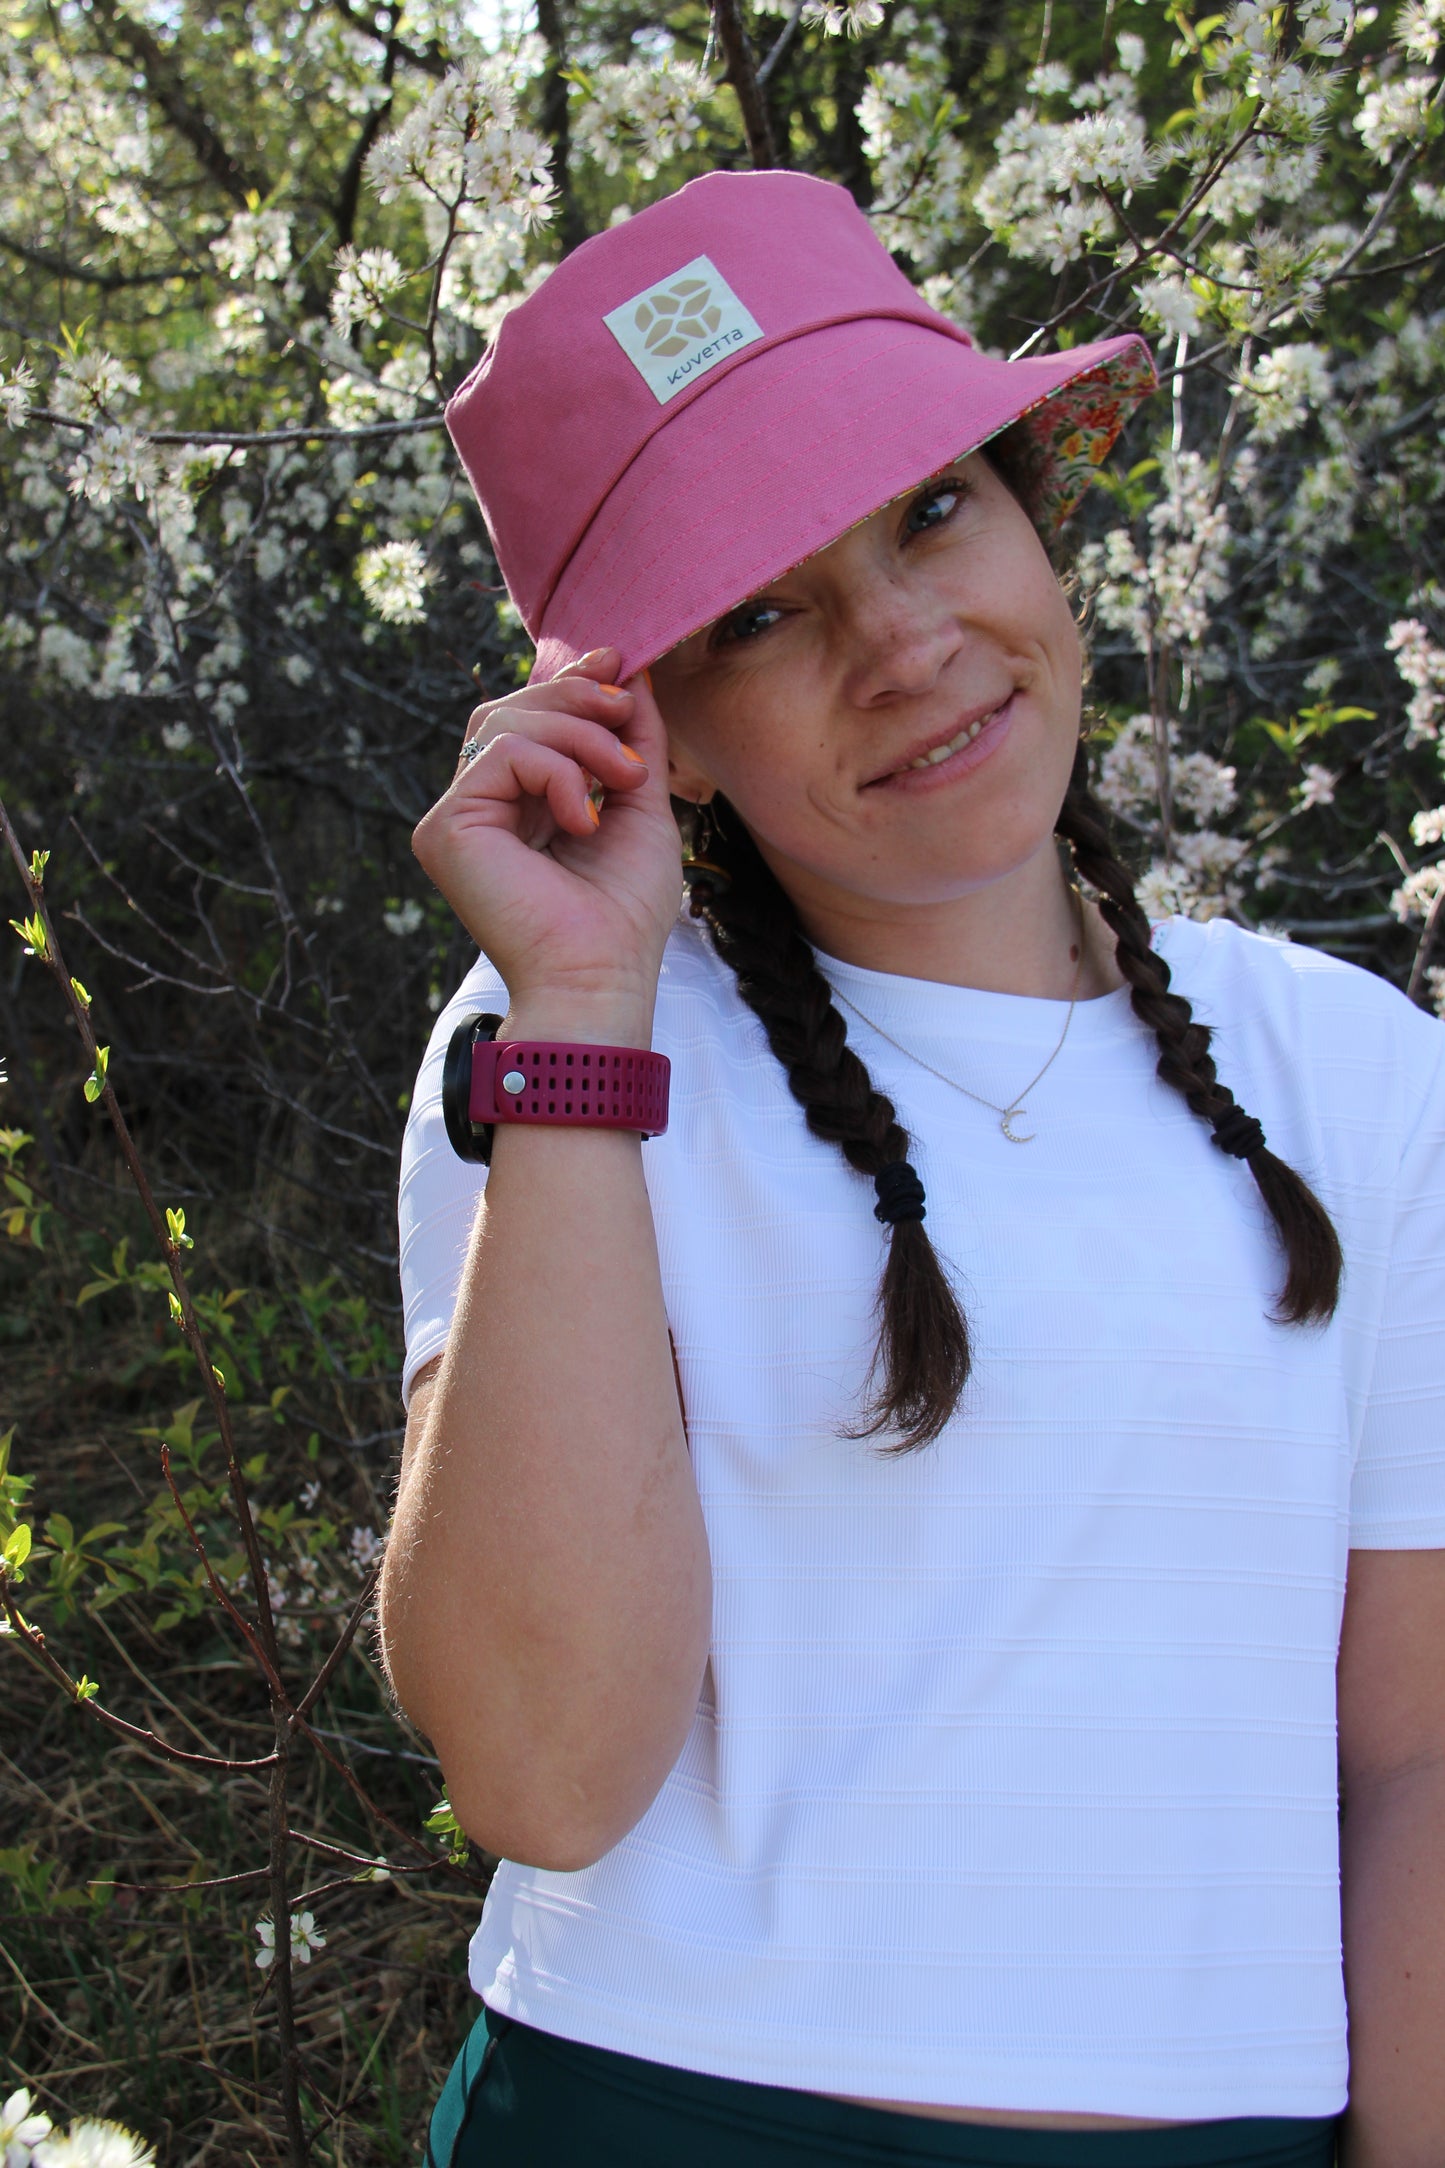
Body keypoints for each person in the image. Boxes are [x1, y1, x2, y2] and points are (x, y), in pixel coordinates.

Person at [380, 170, 1445, 2168]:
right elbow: (539, 1773)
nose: (901, 643)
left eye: (934, 510)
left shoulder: (1363, 1079)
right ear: (655, 729)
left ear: (1037, 520)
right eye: (759, 612)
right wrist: (582, 1010)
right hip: (659, 2119)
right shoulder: (572, 1039)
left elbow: (1415, 1760)